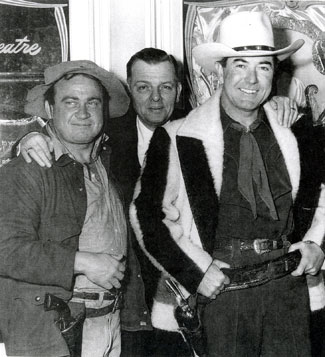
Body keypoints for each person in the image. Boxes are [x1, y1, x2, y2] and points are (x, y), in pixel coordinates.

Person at [19, 47, 300, 357]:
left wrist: (276, 106)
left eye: (165, 87)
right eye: (143, 87)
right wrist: (33, 136)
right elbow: (67, 135)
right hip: (126, 305)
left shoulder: (198, 129)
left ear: (179, 90)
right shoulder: (104, 134)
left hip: (196, 298)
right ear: (127, 88)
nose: (155, 98)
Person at [130, 11, 325, 357]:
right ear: (220, 70)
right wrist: (196, 271)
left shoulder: (295, 132)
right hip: (219, 295)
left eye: (263, 66)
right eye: (240, 65)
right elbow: (147, 215)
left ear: (274, 72)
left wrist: (316, 243)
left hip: (287, 293)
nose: (252, 79)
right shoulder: (178, 137)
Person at [0, 60, 130, 357]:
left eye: (92, 102)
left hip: (109, 322)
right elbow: (4, 249)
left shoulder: (105, 161)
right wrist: (80, 261)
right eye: (70, 101)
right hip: (56, 331)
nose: (83, 113)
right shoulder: (28, 169)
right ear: (48, 110)